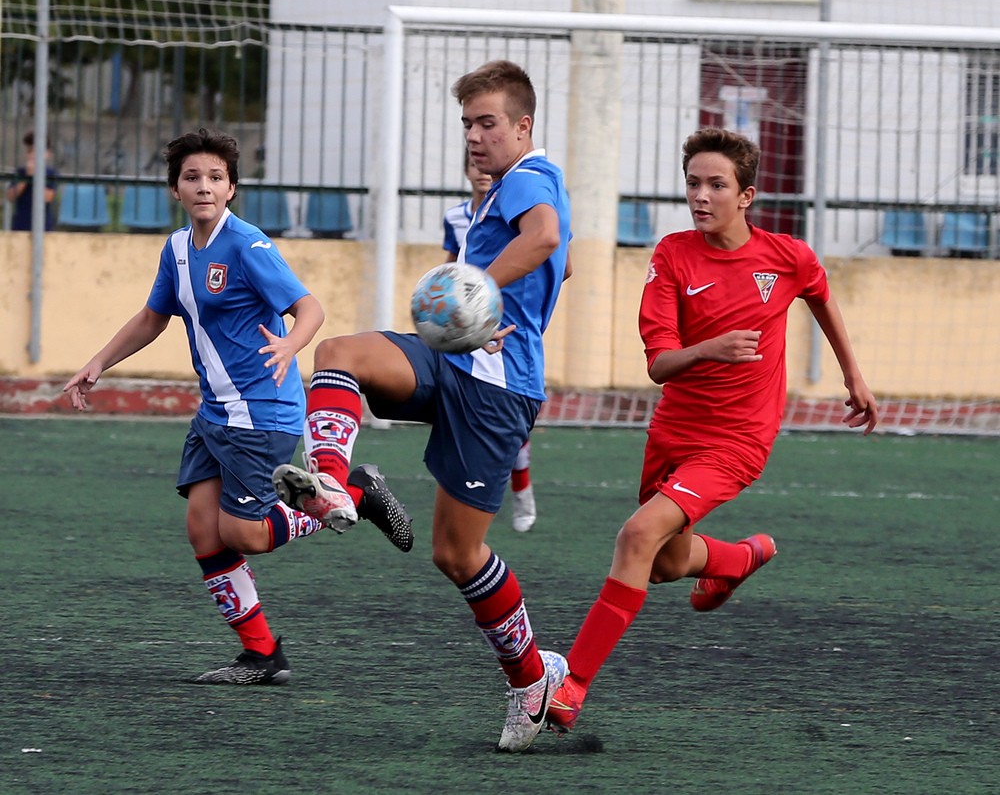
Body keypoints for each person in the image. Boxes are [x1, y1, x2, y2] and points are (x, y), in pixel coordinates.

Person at [273, 60, 572, 752]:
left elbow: (547, 238)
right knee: (339, 354)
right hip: (452, 360)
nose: (474, 135)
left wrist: (478, 293)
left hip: (499, 391)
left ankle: (531, 679)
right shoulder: (497, 191)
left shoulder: (532, 174)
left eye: (487, 122)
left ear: (523, 126)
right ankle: (336, 485)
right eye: (467, 123)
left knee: (456, 554)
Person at [545, 127, 879, 734]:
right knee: (666, 562)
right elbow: (658, 363)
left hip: (738, 441)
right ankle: (736, 558)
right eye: (693, 183)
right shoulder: (673, 254)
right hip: (674, 431)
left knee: (636, 535)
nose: (701, 196)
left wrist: (854, 376)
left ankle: (570, 685)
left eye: (716, 185)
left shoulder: (787, 257)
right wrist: (711, 349)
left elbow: (821, 296)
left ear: (746, 195)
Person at [63, 127, 409, 685]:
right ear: (175, 189)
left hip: (261, 410)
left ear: (230, 189)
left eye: (215, 178)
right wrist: (100, 361)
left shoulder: (248, 244)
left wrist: (291, 345)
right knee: (203, 529)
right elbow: (154, 316)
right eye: (192, 177)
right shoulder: (176, 249)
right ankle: (263, 656)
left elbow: (310, 308)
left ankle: (357, 496)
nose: (204, 186)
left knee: (244, 534)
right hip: (215, 413)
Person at [443, 151, 538, 532]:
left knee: (513, 422)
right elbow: (451, 264)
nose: (481, 172)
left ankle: (522, 488)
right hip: (466, 325)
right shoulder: (455, 217)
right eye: (473, 165)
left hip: (507, 325)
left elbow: (554, 261)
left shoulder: (522, 210)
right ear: (466, 170)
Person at [6, 131, 58, 231]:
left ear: (47, 154)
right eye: (30, 151)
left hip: (44, 226)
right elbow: (11, 196)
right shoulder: (20, 172)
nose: (33, 155)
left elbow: (48, 197)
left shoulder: (51, 173)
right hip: (21, 225)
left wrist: (36, 177)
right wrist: (26, 178)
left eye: (37, 151)